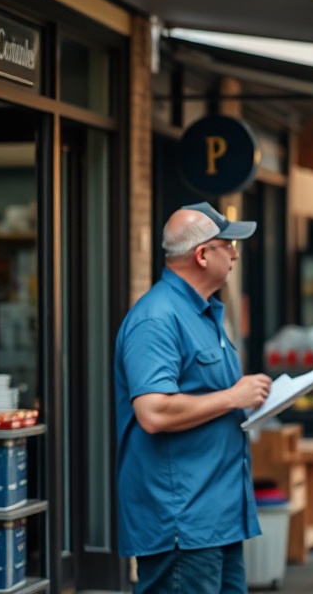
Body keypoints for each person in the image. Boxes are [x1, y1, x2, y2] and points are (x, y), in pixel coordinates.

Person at [114, 202, 273, 594]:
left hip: (218, 513)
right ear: (202, 255)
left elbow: (210, 397)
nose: (235, 254)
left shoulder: (203, 313)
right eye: (227, 246)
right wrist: (233, 397)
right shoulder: (157, 318)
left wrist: (248, 398)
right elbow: (152, 411)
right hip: (182, 521)